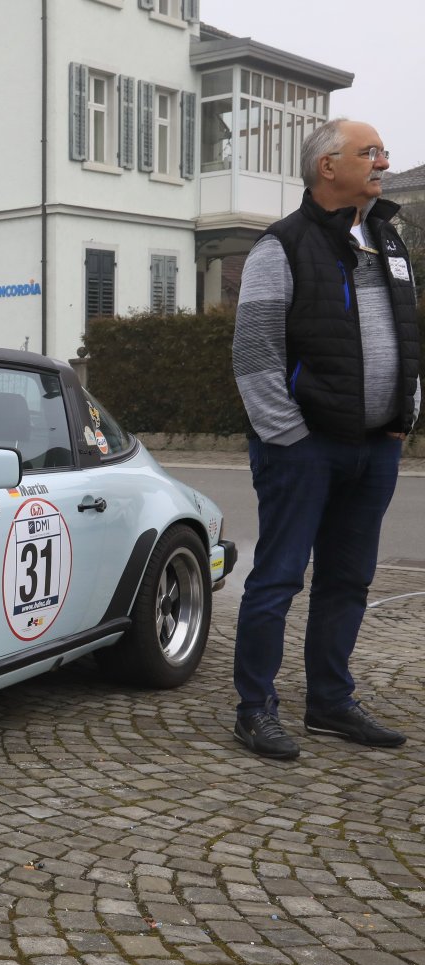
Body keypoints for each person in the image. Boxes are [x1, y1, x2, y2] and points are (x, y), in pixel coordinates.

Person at [231, 118, 419, 759]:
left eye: (383, 152)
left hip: (377, 445)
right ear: (327, 166)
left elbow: (406, 336)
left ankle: (330, 704)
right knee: (279, 579)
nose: (383, 162)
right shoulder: (280, 246)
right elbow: (254, 352)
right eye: (370, 152)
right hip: (303, 446)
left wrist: (405, 411)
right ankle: (255, 709)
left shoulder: (389, 241)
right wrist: (288, 435)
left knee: (348, 579)